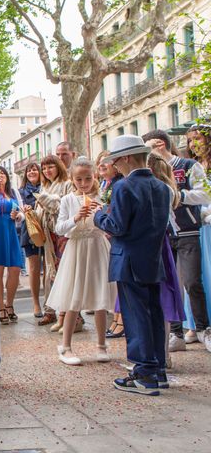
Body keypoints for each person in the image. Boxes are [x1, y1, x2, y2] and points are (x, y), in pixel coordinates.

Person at [94, 135, 171, 396]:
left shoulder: (124, 187)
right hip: (152, 258)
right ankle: (157, 369)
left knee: (136, 315)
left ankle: (144, 372)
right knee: (153, 313)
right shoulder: (162, 188)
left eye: (115, 161)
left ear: (126, 158)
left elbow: (116, 226)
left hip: (128, 259)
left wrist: (99, 215)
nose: (114, 166)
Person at [142, 130, 211, 351]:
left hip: (188, 230)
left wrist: (178, 196)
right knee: (168, 286)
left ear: (160, 144)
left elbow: (205, 194)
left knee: (191, 281)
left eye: (148, 148)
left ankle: (203, 329)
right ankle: (176, 333)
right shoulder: (147, 172)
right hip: (162, 234)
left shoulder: (189, 165)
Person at [46, 157, 117, 365]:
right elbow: (59, 228)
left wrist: (100, 215)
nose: (84, 183)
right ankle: (66, 346)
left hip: (97, 246)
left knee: (100, 296)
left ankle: (101, 345)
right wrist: (76, 218)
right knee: (73, 297)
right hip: (77, 248)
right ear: (72, 179)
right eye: (79, 179)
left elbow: (107, 225)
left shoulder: (100, 197)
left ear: (94, 176)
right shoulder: (68, 200)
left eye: (87, 178)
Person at [146, 153, 186, 368]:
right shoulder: (167, 189)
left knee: (158, 299)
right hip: (164, 246)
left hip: (157, 248)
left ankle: (159, 355)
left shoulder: (159, 189)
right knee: (162, 297)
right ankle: (161, 355)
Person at [29, 155, 75, 330]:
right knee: (51, 273)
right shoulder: (44, 186)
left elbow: (66, 207)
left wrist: (47, 201)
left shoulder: (67, 183)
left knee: (66, 273)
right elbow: (41, 210)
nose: (47, 171)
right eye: (45, 168)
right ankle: (52, 311)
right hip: (49, 235)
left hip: (63, 234)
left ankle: (71, 316)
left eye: (51, 167)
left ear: (58, 167)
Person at [184, 123, 211, 352]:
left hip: (209, 223)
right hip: (196, 225)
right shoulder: (192, 166)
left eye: (199, 139)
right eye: (191, 140)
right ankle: (194, 324)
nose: (194, 144)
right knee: (194, 276)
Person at [0, 166, 24, 325]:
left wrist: (18, 216)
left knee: (15, 269)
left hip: (10, 232)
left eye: (2, 174)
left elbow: (22, 213)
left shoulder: (14, 192)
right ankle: (1, 307)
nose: (0, 176)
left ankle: (10, 303)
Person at [96, 150, 126, 339]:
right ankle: (116, 318)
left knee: (119, 279)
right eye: (99, 162)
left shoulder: (118, 185)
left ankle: (121, 319)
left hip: (113, 232)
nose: (102, 165)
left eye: (106, 162)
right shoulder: (104, 184)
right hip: (105, 234)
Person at [19, 162, 43, 317]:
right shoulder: (21, 193)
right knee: (34, 268)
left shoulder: (46, 189)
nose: (32, 172)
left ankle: (49, 303)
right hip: (30, 232)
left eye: (34, 169)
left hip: (48, 230)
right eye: (29, 170)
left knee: (48, 269)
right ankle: (36, 304)